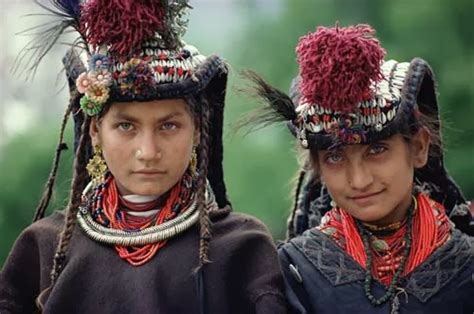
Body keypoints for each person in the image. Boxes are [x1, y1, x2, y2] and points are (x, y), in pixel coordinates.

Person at [0, 1, 287, 313]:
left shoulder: (242, 249)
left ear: (198, 130)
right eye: (126, 126)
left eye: (169, 125)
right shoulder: (44, 248)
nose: (148, 152)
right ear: (95, 131)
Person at [245, 24, 473, 313]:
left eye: (377, 150)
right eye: (335, 158)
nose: (359, 180)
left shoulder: (466, 264)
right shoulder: (293, 272)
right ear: (317, 166)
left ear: (418, 148)